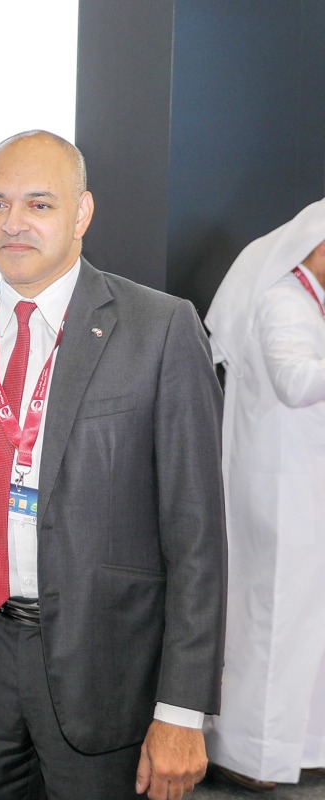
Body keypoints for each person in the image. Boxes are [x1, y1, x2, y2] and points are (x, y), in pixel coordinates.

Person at [0, 130, 227, 800]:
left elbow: (198, 540)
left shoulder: (158, 329)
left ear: (81, 213)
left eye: (38, 204)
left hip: (107, 675)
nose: (12, 223)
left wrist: (182, 711)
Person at [203, 199, 325, 791]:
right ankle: (254, 756)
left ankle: (295, 747)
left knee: (300, 619)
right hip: (280, 491)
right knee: (276, 618)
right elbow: (297, 382)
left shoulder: (305, 299)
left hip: (300, 485)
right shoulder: (282, 300)